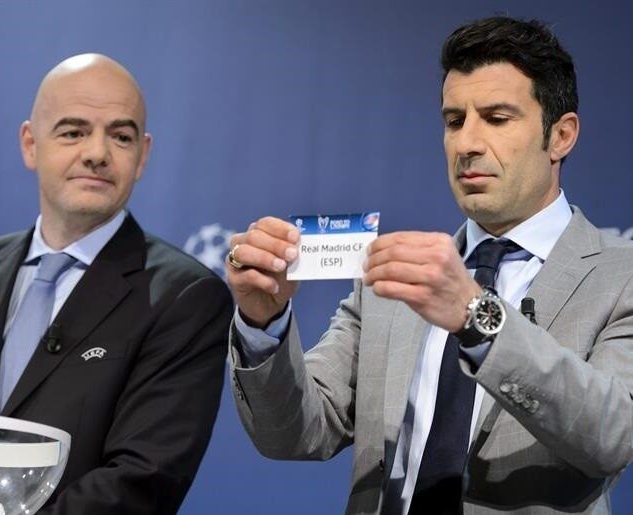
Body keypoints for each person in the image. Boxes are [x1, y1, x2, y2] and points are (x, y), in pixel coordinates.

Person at [226, 16, 633, 514]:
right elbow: (294, 432)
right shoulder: (394, 280)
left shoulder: (620, 276)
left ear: (561, 136)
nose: (467, 144)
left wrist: (477, 317)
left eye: (497, 119)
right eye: (455, 120)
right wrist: (263, 323)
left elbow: (612, 436)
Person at [0, 54, 233, 514]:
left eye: (121, 137)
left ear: (142, 155)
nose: (97, 153)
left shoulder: (185, 298)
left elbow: (141, 482)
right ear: (30, 144)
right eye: (73, 132)